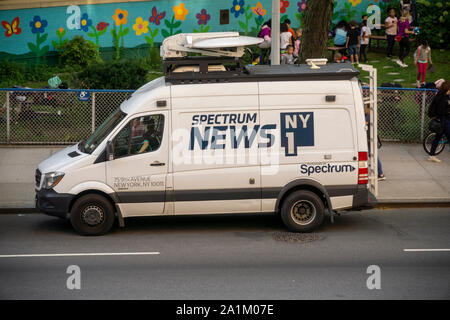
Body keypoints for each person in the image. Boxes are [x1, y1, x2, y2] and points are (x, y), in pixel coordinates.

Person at [427, 81, 450, 163]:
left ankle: (431, 155)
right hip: (444, 121)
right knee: (439, 138)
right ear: (447, 88)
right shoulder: (442, 98)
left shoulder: (444, 96)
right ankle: (431, 156)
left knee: (437, 138)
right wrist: (448, 112)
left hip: (443, 121)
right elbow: (441, 111)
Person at [365, 105, 386, 180]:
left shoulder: (368, 116)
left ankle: (381, 174)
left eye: (365, 107)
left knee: (373, 156)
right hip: (370, 139)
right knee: (373, 156)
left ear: (368, 108)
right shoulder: (371, 115)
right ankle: (380, 173)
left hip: (370, 139)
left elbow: (363, 125)